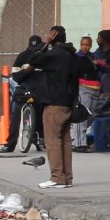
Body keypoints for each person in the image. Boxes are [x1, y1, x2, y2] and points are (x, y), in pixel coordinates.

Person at [19, 25, 80, 189]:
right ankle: (67, 178)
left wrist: (45, 44)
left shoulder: (55, 54)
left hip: (54, 103)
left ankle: (57, 178)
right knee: (65, 141)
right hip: (68, 102)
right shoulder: (72, 55)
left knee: (52, 141)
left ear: (53, 36)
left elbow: (33, 60)